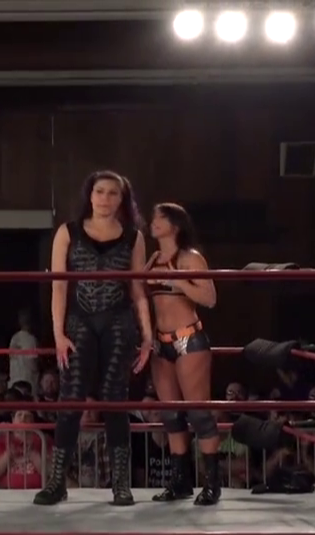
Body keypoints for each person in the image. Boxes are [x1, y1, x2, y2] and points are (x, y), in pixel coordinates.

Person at [35, 170, 153, 507]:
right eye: (100, 191)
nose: (105, 199)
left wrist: (147, 337)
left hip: (118, 319)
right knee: (70, 399)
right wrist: (58, 333)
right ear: (89, 195)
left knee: (115, 400)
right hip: (80, 319)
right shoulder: (68, 232)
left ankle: (121, 485)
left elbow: (138, 290)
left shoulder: (133, 237)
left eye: (113, 193)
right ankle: (57, 481)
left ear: (122, 199)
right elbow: (58, 286)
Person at [145, 203, 221, 505]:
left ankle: (212, 484)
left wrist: (180, 281)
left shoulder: (191, 258)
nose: (153, 222)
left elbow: (210, 298)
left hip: (188, 339)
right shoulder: (152, 260)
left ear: (175, 225)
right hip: (160, 343)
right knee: (171, 415)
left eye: (160, 218)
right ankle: (181, 482)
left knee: (199, 414)